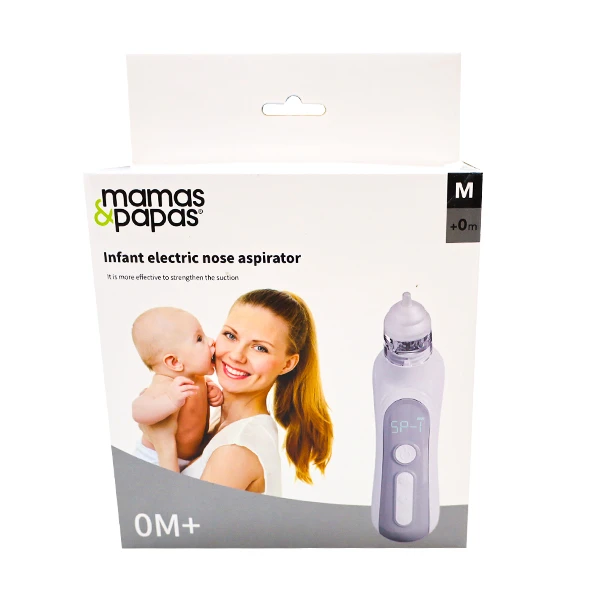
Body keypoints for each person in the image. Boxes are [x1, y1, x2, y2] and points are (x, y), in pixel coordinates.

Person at [141, 289, 334, 496]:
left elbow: (172, 515)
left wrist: (164, 443)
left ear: (287, 364)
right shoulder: (217, 419)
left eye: (260, 348)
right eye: (231, 335)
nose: (236, 356)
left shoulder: (237, 447)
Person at [131, 307, 223, 469]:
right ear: (175, 362)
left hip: (188, 459)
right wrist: (169, 401)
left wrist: (213, 394)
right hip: (153, 459)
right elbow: (137, 410)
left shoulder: (198, 379)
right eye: (199, 339)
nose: (211, 341)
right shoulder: (166, 386)